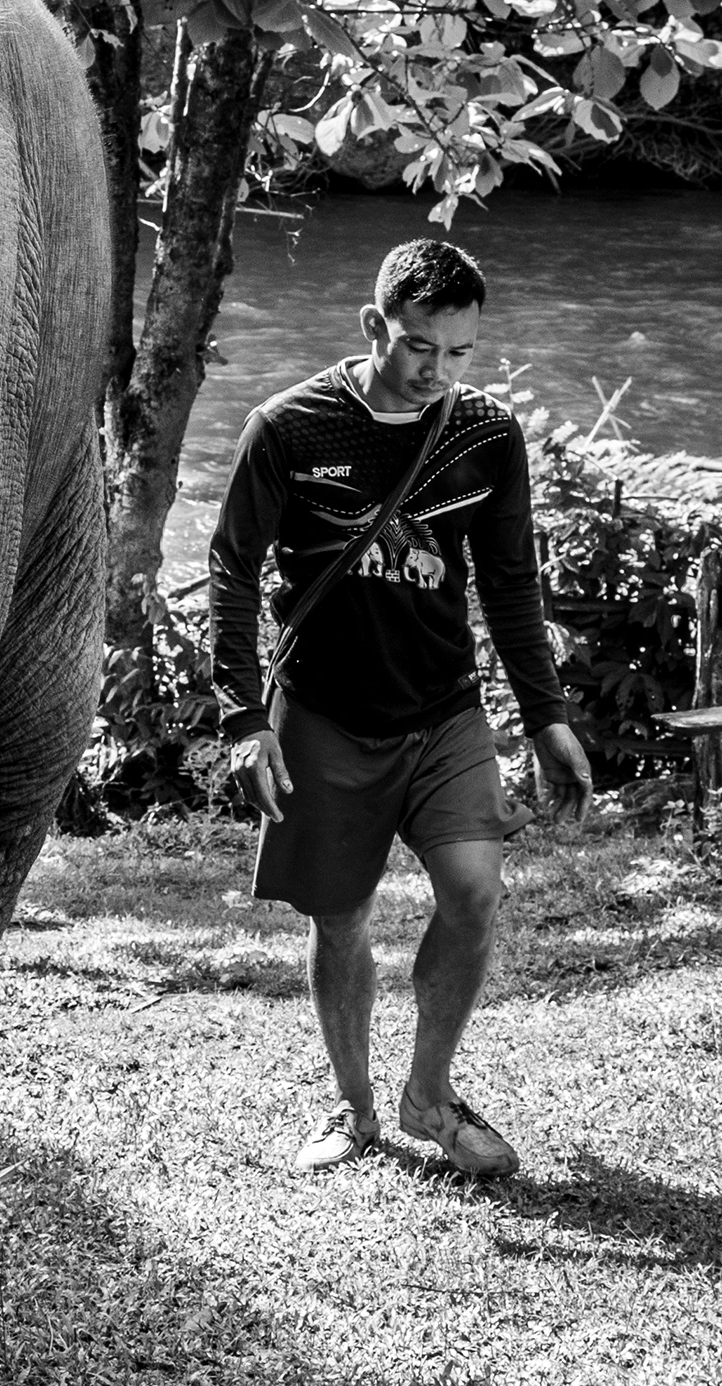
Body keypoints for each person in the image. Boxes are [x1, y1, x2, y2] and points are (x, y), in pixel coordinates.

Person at [207, 237, 591, 1178]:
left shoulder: (484, 433)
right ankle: (354, 1107)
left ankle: (429, 1094)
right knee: (340, 918)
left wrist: (545, 716)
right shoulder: (288, 427)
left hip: (444, 709)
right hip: (325, 714)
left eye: (460, 351)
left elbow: (510, 581)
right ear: (373, 325)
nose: (439, 370)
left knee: (474, 892)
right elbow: (231, 570)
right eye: (421, 346)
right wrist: (244, 719)